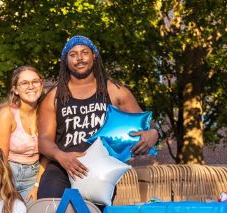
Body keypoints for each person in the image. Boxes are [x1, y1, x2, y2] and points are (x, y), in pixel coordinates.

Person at [37, 35, 160, 199]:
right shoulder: (54, 96)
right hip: (62, 167)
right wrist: (61, 156)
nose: (79, 58)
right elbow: (44, 140)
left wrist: (154, 134)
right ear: (66, 61)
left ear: (94, 56)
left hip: (100, 170)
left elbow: (145, 127)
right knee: (48, 211)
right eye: (73, 54)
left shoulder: (115, 91)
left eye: (84, 52)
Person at [0, 66, 48, 203]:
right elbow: (0, 157)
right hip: (9, 173)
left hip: (35, 175)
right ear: (16, 90)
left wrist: (37, 185)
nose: (31, 86)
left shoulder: (48, 113)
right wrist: (6, 185)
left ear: (41, 85)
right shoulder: (7, 114)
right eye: (24, 83)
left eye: (35, 81)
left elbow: (48, 154)